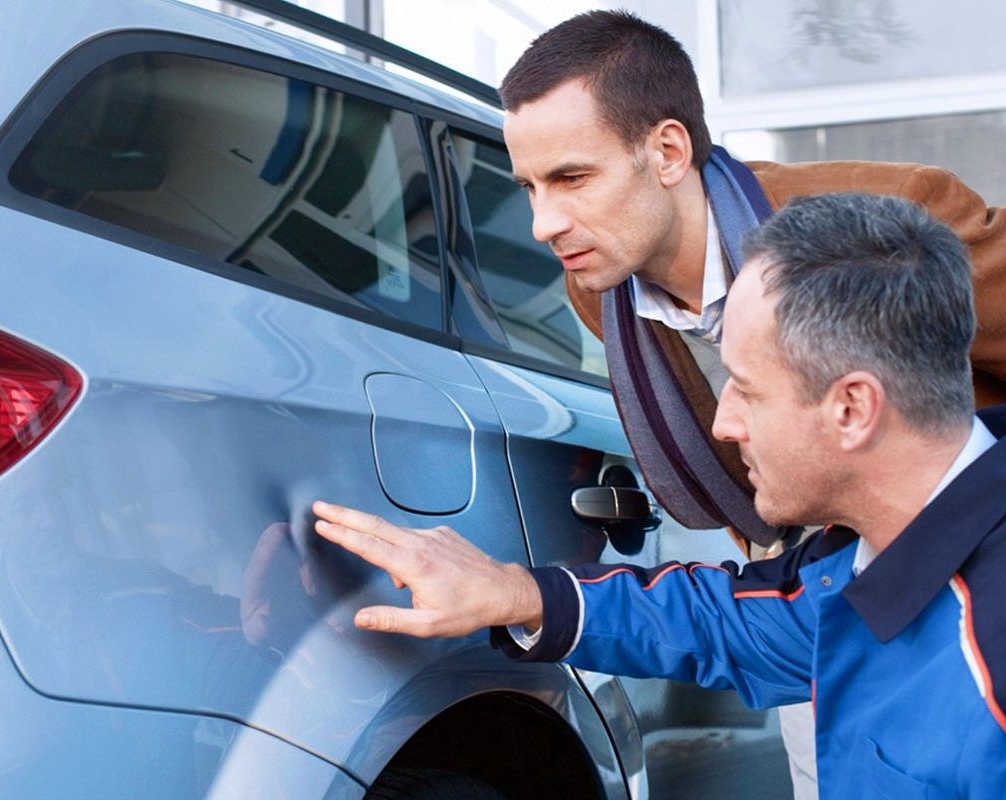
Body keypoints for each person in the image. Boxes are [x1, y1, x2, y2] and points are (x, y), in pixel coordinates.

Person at [313, 193, 1006, 798]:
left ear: (852, 409)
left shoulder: (989, 663)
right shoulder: (865, 562)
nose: (722, 423)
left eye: (748, 390)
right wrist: (517, 593)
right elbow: (728, 620)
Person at [495, 10, 1006, 794]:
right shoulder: (598, 285)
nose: (542, 223)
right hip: (816, 584)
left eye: (571, 178)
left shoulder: (882, 228)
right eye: (529, 187)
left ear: (668, 152)